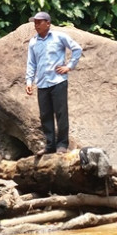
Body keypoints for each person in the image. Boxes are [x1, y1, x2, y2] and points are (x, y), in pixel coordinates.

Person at [24, 11, 83, 154]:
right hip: (42, 83)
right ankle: (50, 145)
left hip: (58, 81)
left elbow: (77, 49)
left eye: (39, 22)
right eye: (35, 22)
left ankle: (62, 145)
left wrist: (68, 66)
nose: (36, 25)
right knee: (45, 115)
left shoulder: (59, 37)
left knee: (61, 113)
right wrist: (29, 81)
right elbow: (31, 63)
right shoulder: (33, 42)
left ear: (48, 23)